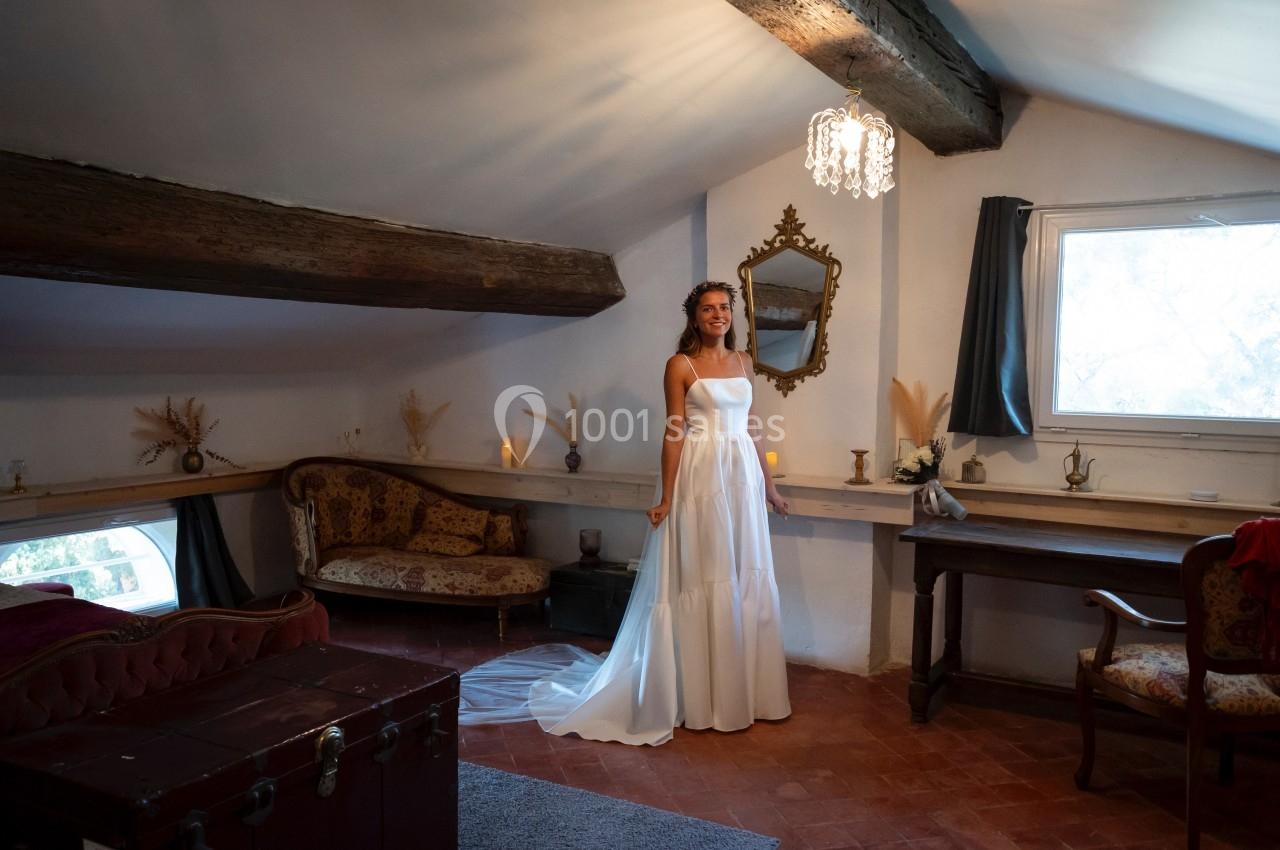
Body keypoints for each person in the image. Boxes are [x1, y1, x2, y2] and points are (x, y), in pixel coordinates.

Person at [459, 281, 792, 746]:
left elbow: (753, 426)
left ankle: (744, 694)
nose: (717, 315)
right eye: (708, 309)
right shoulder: (680, 365)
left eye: (723, 308)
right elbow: (675, 433)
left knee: (741, 576)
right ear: (694, 318)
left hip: (740, 480)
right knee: (704, 576)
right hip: (698, 478)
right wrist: (667, 497)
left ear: (732, 315)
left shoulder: (744, 363)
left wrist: (770, 489)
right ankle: (695, 697)